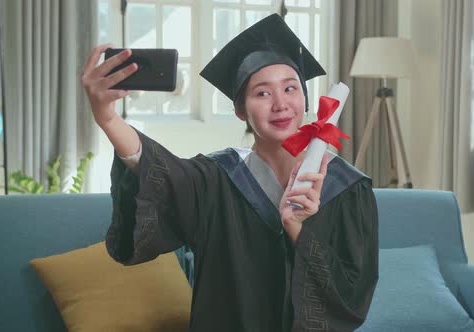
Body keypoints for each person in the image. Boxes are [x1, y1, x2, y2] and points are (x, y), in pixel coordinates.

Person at [82, 13, 378, 332]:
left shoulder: (347, 188)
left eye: (290, 88)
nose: (280, 104)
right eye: (262, 93)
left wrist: (299, 231)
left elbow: (352, 296)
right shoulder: (215, 180)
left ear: (305, 98)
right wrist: (107, 118)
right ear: (240, 110)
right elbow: (161, 172)